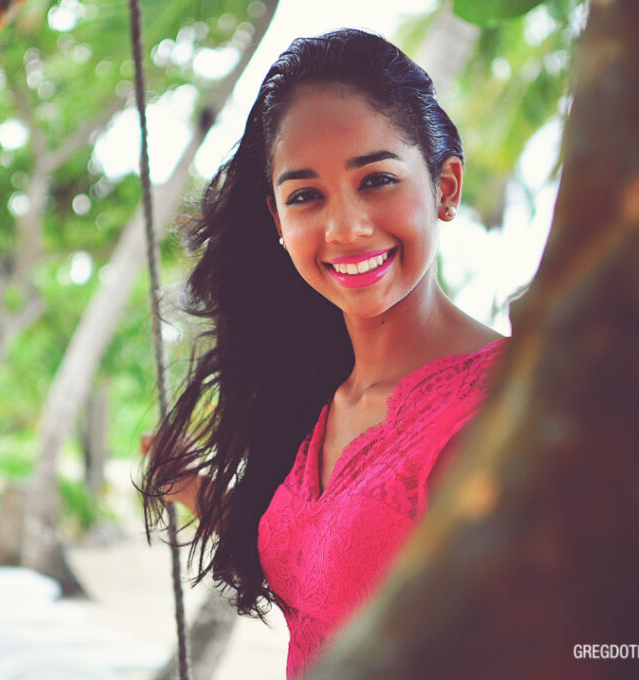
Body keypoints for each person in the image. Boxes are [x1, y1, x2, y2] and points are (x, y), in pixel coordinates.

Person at [140, 28, 505, 677]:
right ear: (279, 220)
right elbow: (328, 551)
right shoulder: (326, 396)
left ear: (445, 187)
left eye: (377, 179)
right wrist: (196, 491)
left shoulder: (499, 411)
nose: (346, 227)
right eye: (306, 195)